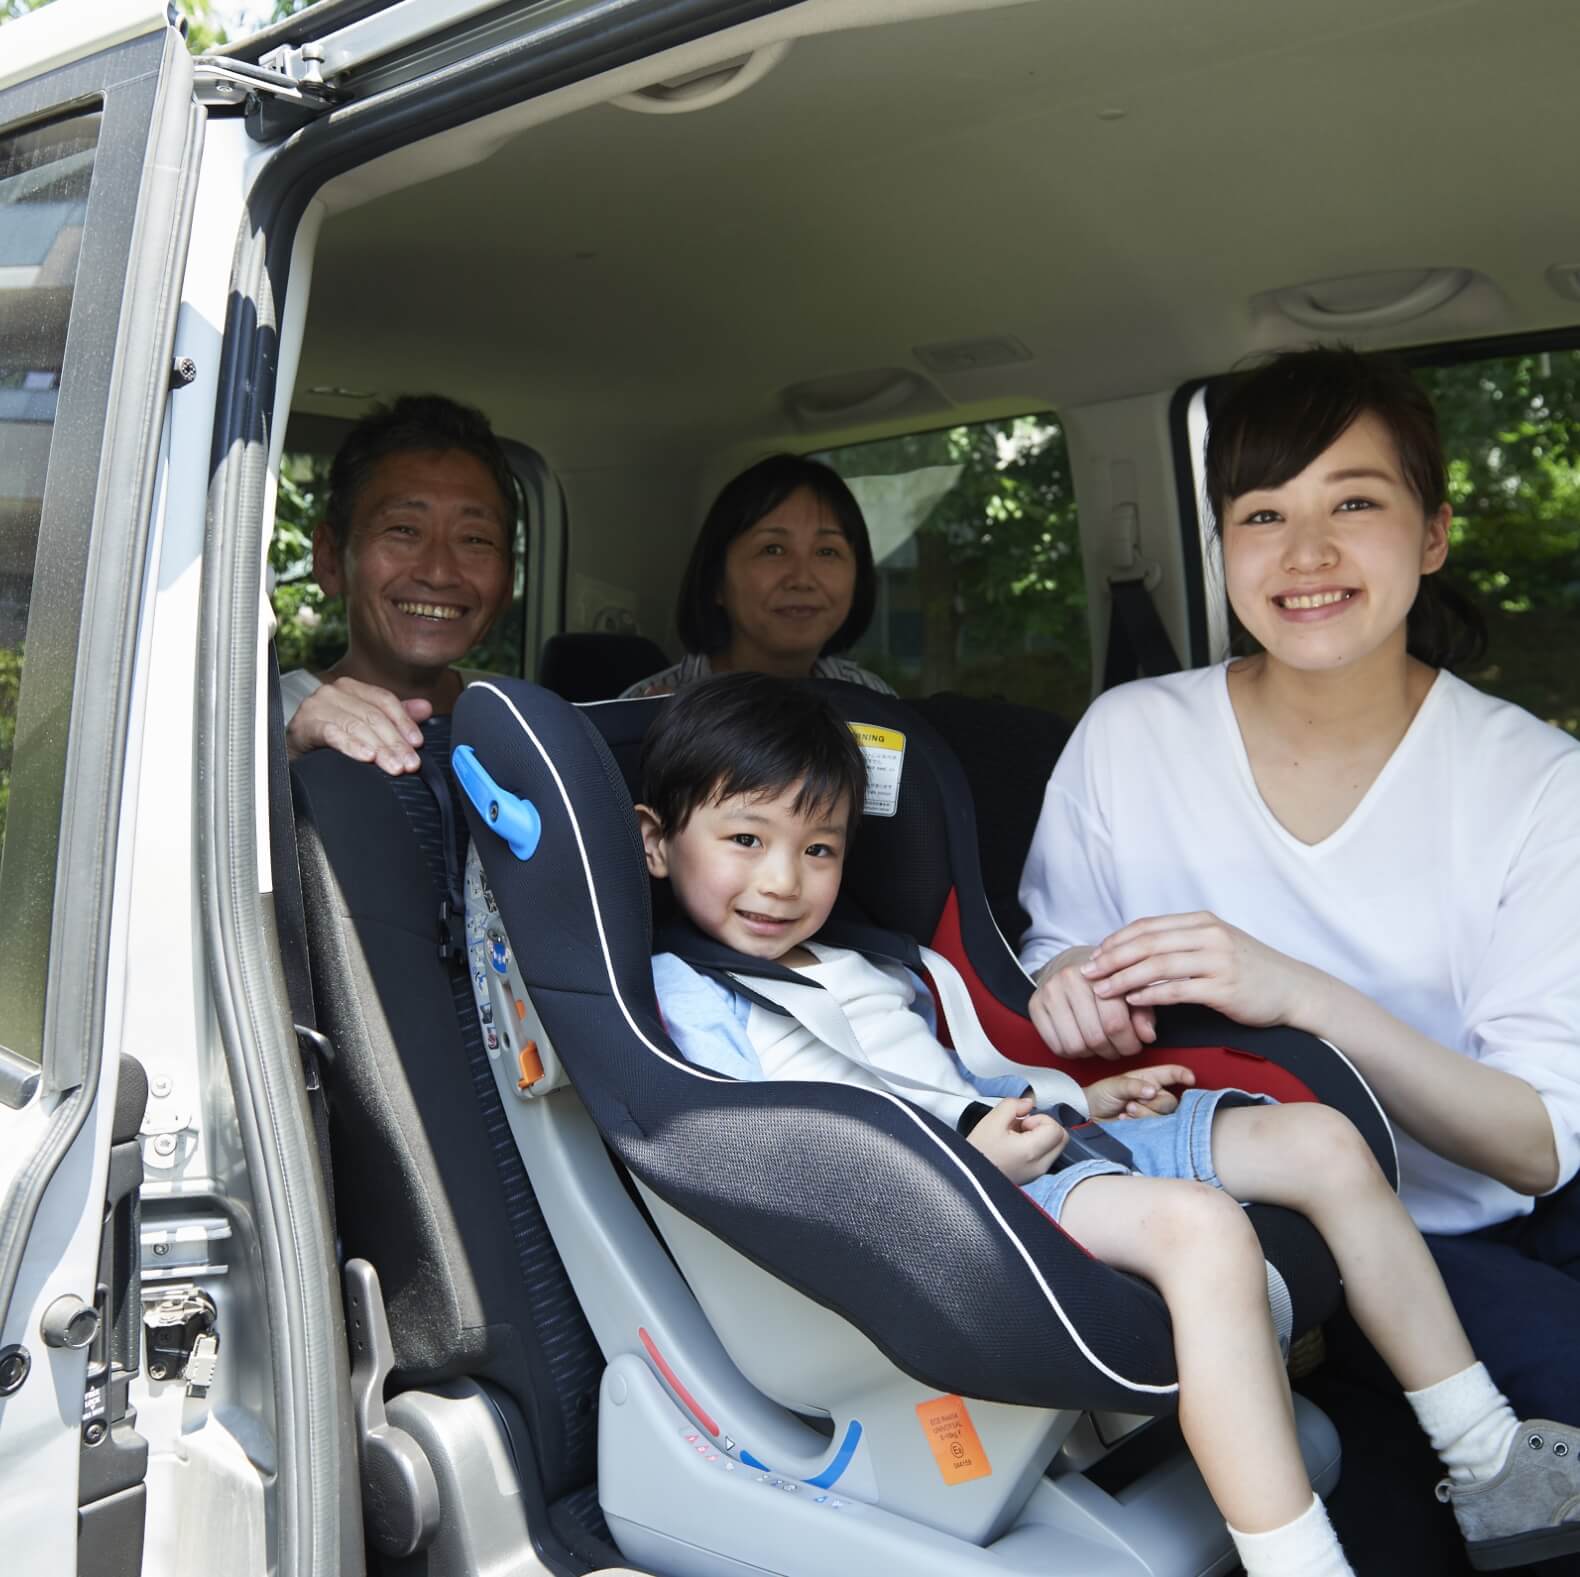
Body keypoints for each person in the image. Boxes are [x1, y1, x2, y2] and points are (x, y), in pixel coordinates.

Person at [638, 672, 1580, 1577]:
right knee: (1202, 1231)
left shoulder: (872, 959)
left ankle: (1490, 1455)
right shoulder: (685, 994)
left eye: (818, 848)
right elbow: (767, 1145)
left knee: (1319, 1139)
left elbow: (952, 1068)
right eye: (746, 839)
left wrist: (1082, 1097)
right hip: (945, 1201)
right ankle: (1299, 1562)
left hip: (1030, 1137)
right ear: (654, 842)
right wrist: (965, 1165)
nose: (783, 880)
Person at [1020, 346, 1580, 1572]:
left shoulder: (1536, 783)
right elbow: (1048, 965)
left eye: (1354, 503)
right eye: (1262, 514)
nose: (1306, 552)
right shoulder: (1127, 737)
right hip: (1214, 1244)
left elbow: (1532, 1143)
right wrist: (1059, 992)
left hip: (1460, 1244)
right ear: (1220, 545)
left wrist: (1297, 996)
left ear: (1430, 535)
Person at [281, 393, 517, 774]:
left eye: (475, 539)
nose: (439, 573)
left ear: (509, 579)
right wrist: (286, 762)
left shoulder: (521, 721)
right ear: (329, 559)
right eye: (403, 530)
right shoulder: (257, 724)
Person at [620, 453, 895, 698]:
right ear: (716, 580)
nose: (802, 579)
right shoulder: (646, 709)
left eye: (826, 552)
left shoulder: (873, 701)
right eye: (773, 549)